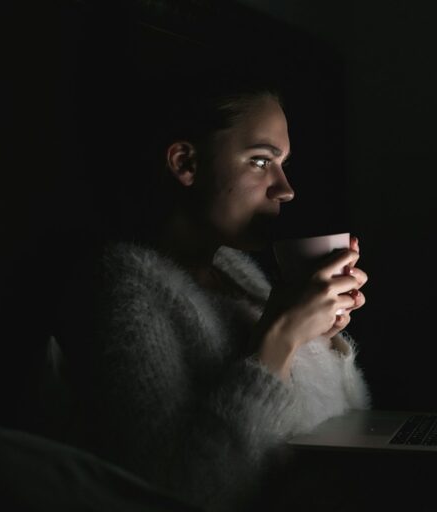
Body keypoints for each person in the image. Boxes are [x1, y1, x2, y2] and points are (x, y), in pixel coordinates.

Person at [51, 83, 371, 511]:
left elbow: (347, 421)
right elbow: (181, 489)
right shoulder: (124, 288)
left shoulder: (235, 270)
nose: (286, 188)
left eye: (284, 164)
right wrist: (281, 337)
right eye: (261, 161)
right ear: (186, 163)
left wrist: (324, 333)